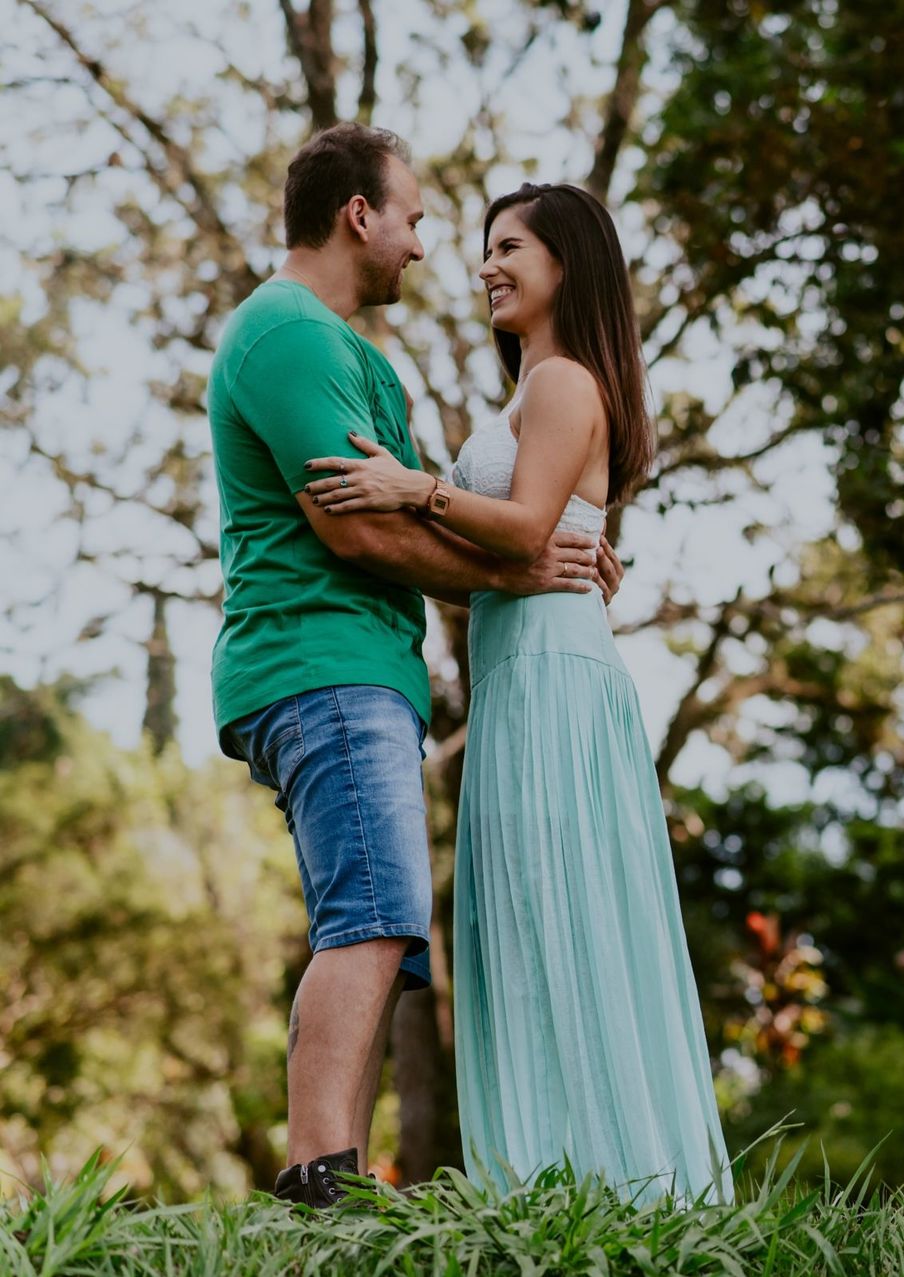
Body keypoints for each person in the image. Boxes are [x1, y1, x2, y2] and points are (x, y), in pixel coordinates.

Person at [207, 124, 621, 1208]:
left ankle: (333, 1166)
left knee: (383, 922)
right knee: (377, 913)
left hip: (362, 663)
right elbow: (353, 530)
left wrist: (500, 541)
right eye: (418, 218)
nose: (428, 246)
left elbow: (424, 513)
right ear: (360, 214)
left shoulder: (348, 352)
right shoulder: (287, 334)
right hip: (322, 658)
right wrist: (518, 573)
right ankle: (319, 1182)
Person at [300, 181, 733, 1204]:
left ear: (566, 264)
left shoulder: (564, 380)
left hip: (550, 679)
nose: (487, 265)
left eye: (510, 247)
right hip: (516, 675)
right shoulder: (536, 390)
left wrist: (417, 488)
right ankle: (545, 1183)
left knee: (564, 910)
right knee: (528, 922)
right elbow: (538, 528)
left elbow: (531, 524)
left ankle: (617, 1187)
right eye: (486, 248)